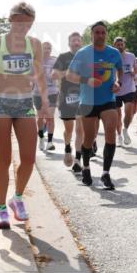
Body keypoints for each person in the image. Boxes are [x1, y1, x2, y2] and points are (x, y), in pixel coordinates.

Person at [0, 2, 51, 228]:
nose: (22, 27)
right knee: (4, 159)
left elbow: (40, 77)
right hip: (0, 103)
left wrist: (45, 105)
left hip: (25, 102)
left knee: (29, 159)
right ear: (10, 20)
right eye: (18, 22)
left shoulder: (35, 44)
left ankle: (17, 198)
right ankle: (0, 210)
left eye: (27, 23)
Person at [66, 22, 124, 190]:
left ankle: (106, 173)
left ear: (107, 34)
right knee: (89, 139)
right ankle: (86, 168)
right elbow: (70, 75)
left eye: (103, 32)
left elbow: (120, 70)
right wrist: (86, 80)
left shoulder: (113, 53)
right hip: (88, 101)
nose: (100, 35)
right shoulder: (83, 53)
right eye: (97, 32)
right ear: (91, 35)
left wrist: (119, 82)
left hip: (108, 100)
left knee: (110, 135)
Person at [52, 32, 85, 171]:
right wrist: (68, 71)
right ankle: (67, 148)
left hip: (83, 96)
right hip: (66, 97)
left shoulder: (86, 57)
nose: (76, 42)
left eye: (78, 40)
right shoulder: (63, 57)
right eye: (73, 40)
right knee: (69, 129)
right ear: (69, 43)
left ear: (81, 42)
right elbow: (54, 75)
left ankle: (78, 159)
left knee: (80, 129)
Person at [113, 37, 137, 146]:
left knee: (129, 112)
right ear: (114, 45)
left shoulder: (131, 56)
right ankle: (119, 135)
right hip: (116, 89)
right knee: (117, 115)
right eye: (117, 44)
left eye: (121, 44)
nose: (120, 46)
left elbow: (136, 69)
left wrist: (134, 73)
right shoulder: (111, 56)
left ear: (124, 45)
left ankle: (125, 130)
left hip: (129, 88)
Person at [33, 42, 58, 150]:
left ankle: (50, 142)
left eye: (49, 48)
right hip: (38, 93)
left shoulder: (55, 60)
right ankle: (41, 138)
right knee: (40, 117)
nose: (47, 50)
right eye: (45, 48)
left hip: (52, 92)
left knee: (50, 117)